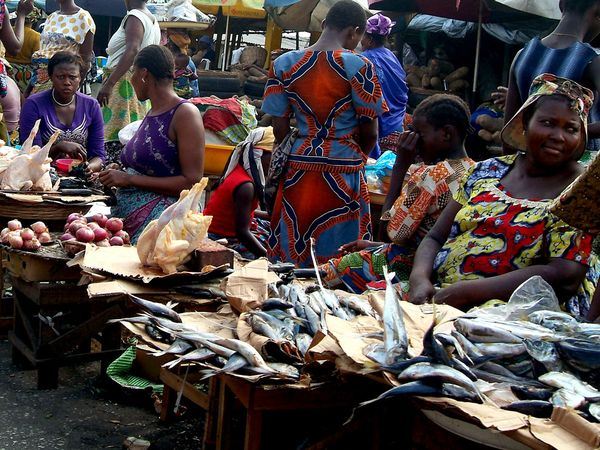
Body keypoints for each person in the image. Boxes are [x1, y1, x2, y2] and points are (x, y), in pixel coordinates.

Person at [409, 74, 598, 320]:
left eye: (570, 129)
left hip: (519, 311)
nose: (558, 136)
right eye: (548, 123)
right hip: (442, 293)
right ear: (526, 122)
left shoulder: (582, 190)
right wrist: (419, 279)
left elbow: (565, 275)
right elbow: (435, 237)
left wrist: (465, 293)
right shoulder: (486, 171)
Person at [262, 0, 386, 268]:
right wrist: (357, 156)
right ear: (355, 31)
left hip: (299, 164)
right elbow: (371, 131)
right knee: (343, 252)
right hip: (344, 166)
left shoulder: (284, 63)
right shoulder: (359, 66)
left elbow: (279, 127)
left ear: (324, 24)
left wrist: (301, 146)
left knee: (294, 242)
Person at [323, 95, 475, 293]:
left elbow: (390, 235)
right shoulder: (475, 170)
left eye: (419, 134)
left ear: (446, 133)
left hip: (415, 268)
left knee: (339, 267)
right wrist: (372, 244)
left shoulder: (433, 176)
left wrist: (400, 166)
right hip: (444, 263)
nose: (413, 141)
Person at [98, 45, 205, 243]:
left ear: (144, 74)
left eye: (133, 73)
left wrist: (129, 179)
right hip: (129, 213)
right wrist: (121, 171)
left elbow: (192, 181)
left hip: (164, 222)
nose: (131, 80)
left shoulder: (185, 113)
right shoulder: (153, 111)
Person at [504, 0, 600, 152]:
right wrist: (571, 130)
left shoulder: (522, 56)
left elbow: (509, 132)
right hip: (578, 162)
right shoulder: (591, 60)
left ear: (561, 5)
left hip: (530, 157)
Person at [19, 52, 105, 171]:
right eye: (61, 77)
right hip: (42, 173)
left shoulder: (91, 105)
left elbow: (98, 155)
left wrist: (88, 168)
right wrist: (58, 147)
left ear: (80, 78)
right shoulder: (34, 105)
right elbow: (30, 155)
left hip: (81, 173)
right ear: (51, 77)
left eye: (72, 77)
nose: (67, 82)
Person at [204, 127, 275, 258]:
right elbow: (242, 233)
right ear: (259, 154)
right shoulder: (246, 186)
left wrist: (273, 216)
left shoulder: (240, 171)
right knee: (273, 247)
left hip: (231, 229)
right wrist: (269, 259)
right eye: (274, 156)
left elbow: (242, 212)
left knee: (276, 228)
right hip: (221, 237)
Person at [97, 0, 160, 143]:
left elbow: (132, 50)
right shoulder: (152, 19)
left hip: (122, 83)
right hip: (135, 82)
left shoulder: (135, 16)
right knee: (131, 133)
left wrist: (109, 84)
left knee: (116, 133)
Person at [360, 13, 408, 158]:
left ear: (370, 40)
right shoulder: (391, 55)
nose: (361, 41)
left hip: (381, 129)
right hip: (398, 124)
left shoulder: (365, 59)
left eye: (363, 36)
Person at [29, 0, 95, 95]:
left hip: (62, 78)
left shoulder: (83, 17)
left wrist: (75, 88)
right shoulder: (52, 17)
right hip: (39, 76)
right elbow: (43, 49)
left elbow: (86, 59)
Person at [6, 8, 40, 92]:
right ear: (33, 20)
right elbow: (37, 59)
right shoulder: (36, 36)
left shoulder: (7, 32)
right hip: (26, 75)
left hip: (7, 71)